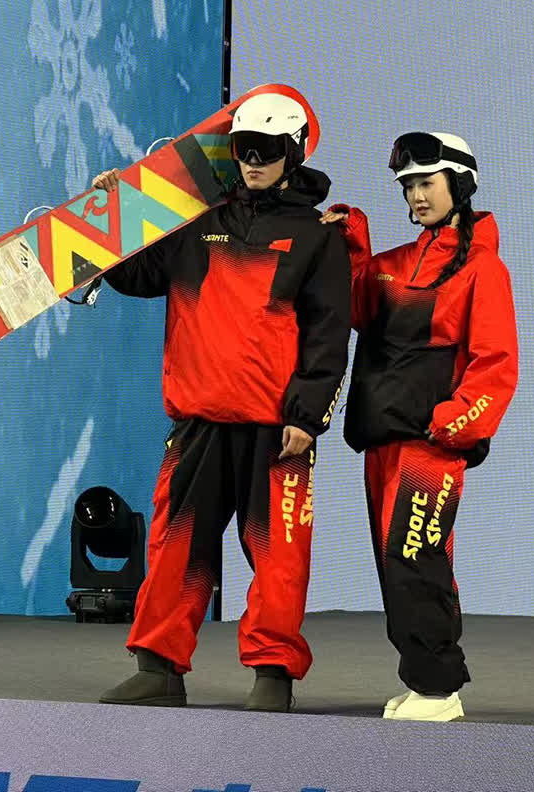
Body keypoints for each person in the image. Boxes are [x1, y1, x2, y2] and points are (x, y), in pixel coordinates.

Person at [94, 89, 351, 712]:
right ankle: (159, 669)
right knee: (175, 546)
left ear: (293, 153)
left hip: (275, 427)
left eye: (267, 150)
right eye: (243, 149)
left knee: (278, 556)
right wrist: (111, 219)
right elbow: (137, 275)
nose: (253, 161)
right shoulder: (197, 223)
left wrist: (308, 415)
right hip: (199, 419)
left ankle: (272, 675)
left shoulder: (316, 237)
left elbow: (329, 332)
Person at [321, 131, 518, 723]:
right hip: (381, 438)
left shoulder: (482, 268)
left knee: (416, 556)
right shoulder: (392, 266)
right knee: (392, 562)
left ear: (459, 184)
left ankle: (440, 689)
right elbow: (355, 308)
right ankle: (420, 679)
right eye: (408, 186)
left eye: (427, 183)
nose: (416, 195)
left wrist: (450, 425)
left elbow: (495, 364)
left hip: (431, 444)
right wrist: (352, 243)